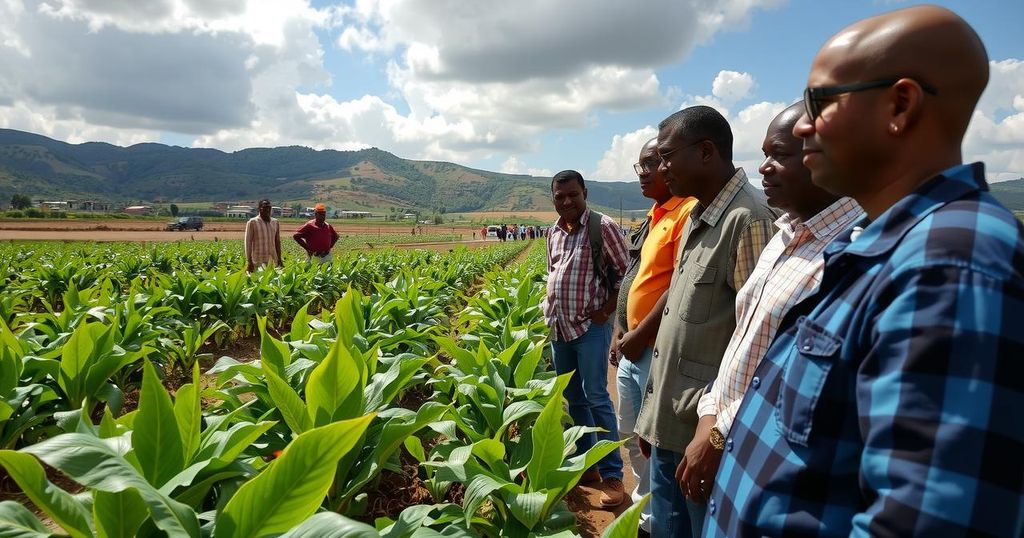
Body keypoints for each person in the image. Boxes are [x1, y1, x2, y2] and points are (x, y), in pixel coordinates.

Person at [707, 6, 1024, 537]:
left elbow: (927, 521)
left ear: (900, 104)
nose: (803, 125)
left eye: (820, 102)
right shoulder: (883, 243)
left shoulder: (951, 261)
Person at [677, 103, 862, 506]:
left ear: (826, 155)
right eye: (764, 155)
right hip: (720, 438)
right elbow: (743, 341)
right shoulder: (782, 236)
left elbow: (798, 377)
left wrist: (717, 433)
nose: (764, 167)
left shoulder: (854, 252)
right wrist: (710, 417)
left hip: (770, 462)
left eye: (779, 155)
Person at [633, 106, 777, 538]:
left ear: (707, 152)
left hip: (704, 434)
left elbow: (759, 344)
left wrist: (714, 437)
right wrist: (651, 416)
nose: (660, 168)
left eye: (666, 156)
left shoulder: (749, 219)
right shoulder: (698, 214)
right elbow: (679, 313)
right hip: (670, 422)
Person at [610, 137, 697, 534]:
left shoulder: (688, 211)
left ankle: (652, 520)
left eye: (651, 163)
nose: (644, 172)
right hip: (631, 347)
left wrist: (641, 335)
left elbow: (678, 285)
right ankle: (645, 508)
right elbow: (634, 278)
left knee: (655, 441)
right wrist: (618, 330)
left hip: (653, 351)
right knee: (630, 431)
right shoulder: (656, 213)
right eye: (639, 166)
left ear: (669, 165)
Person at [543, 169, 630, 507]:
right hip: (559, 327)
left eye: (572, 195)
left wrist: (606, 312)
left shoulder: (602, 227)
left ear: (585, 193)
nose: (566, 201)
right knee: (573, 397)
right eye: (559, 196)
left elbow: (625, 275)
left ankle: (612, 474)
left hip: (591, 328)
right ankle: (588, 464)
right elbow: (554, 271)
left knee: (596, 395)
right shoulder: (553, 232)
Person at [245, 198, 282, 272]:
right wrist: (249, 261)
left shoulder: (275, 222)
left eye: (269, 208)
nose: (267, 210)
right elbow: (248, 242)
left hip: (272, 260)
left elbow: (277, 241)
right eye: (264, 207)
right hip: (258, 261)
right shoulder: (252, 222)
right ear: (259, 209)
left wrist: (279, 258)